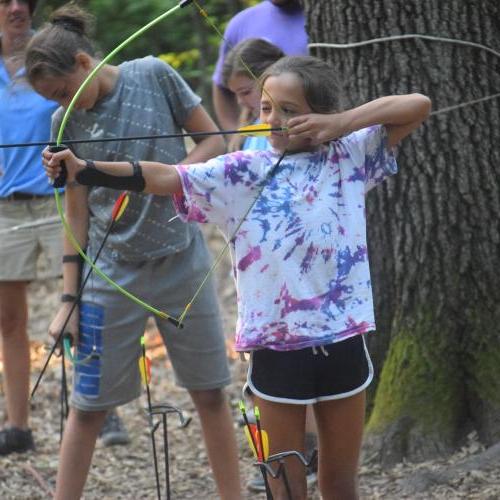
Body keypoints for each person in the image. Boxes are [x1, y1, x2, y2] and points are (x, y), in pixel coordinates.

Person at [43, 55, 431, 499]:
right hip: (275, 346)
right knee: (284, 484)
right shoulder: (241, 170)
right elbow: (166, 176)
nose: (274, 119)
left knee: (340, 482)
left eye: (288, 109)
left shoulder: (349, 155)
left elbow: (417, 104)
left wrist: (340, 123)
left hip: (343, 337)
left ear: (318, 112)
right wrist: (85, 170)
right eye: (266, 108)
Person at [26, 4, 241, 499]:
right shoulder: (64, 120)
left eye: (64, 91)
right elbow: (75, 213)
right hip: (111, 273)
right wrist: (68, 301)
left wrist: (172, 180)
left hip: (181, 260)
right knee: (88, 404)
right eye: (55, 100)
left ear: (83, 62)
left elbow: (213, 140)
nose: (65, 104)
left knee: (210, 391)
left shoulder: (153, 75)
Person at [223, 37, 319, 493]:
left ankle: (310, 449)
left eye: (249, 93)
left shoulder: (327, 148)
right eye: (250, 100)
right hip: (266, 295)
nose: (245, 104)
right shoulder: (254, 137)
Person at [0, 0, 60, 456]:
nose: (16, 6)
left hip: (62, 199)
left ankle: (101, 408)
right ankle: (18, 426)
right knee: (8, 319)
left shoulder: (53, 49)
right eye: (5, 1)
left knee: (86, 306)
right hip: (5, 208)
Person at [212, 0, 307, 131]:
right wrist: (236, 134)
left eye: (246, 92)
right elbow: (223, 85)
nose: (240, 101)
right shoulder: (240, 23)